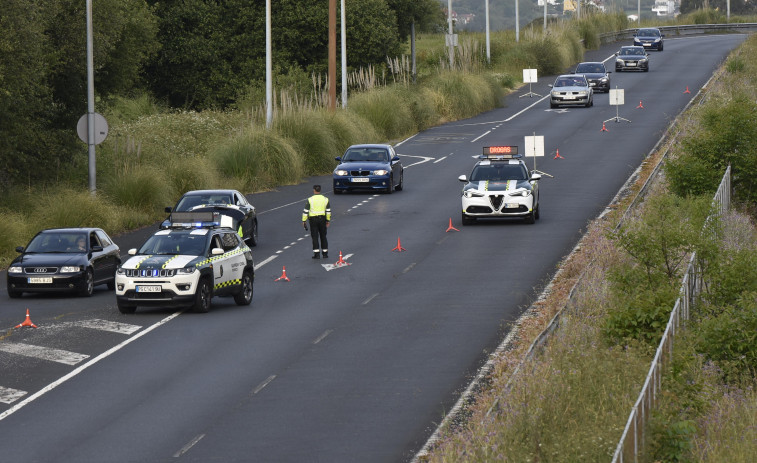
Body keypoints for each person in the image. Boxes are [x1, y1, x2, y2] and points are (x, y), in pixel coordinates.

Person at [302, 185, 331, 259]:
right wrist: (328, 220)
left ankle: (316, 254)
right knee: (323, 236)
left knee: (315, 237)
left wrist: (304, 220)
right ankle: (325, 253)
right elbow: (328, 211)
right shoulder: (325, 199)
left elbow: (306, 211)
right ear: (320, 190)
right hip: (322, 219)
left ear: (314, 190)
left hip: (313, 220)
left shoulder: (310, 199)